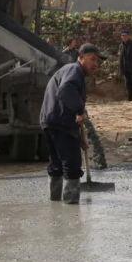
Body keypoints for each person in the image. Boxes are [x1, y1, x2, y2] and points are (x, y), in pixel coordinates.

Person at [40, 43, 105, 204]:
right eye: (92, 59)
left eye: (98, 61)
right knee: (72, 165)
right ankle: (71, 206)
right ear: (80, 58)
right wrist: (78, 110)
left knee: (56, 164)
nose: (95, 64)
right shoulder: (74, 71)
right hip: (61, 122)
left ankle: (54, 202)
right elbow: (65, 90)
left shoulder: (71, 71)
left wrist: (80, 137)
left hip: (51, 121)